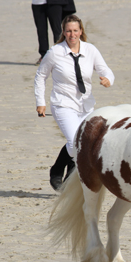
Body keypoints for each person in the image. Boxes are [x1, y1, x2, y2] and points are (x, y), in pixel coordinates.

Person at [34, 14, 115, 191]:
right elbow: (41, 76)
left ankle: (70, 174)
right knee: (74, 143)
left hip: (86, 105)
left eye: (75, 31)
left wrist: (108, 79)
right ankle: (56, 171)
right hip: (63, 104)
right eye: (68, 31)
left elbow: (106, 70)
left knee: (84, 144)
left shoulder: (90, 50)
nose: (72, 35)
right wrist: (40, 102)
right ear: (63, 32)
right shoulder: (55, 53)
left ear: (81, 31)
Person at [31, 0, 77, 65]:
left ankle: (60, 55)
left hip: (55, 1)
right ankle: (44, 56)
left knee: (57, 30)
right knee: (41, 31)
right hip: (37, 2)